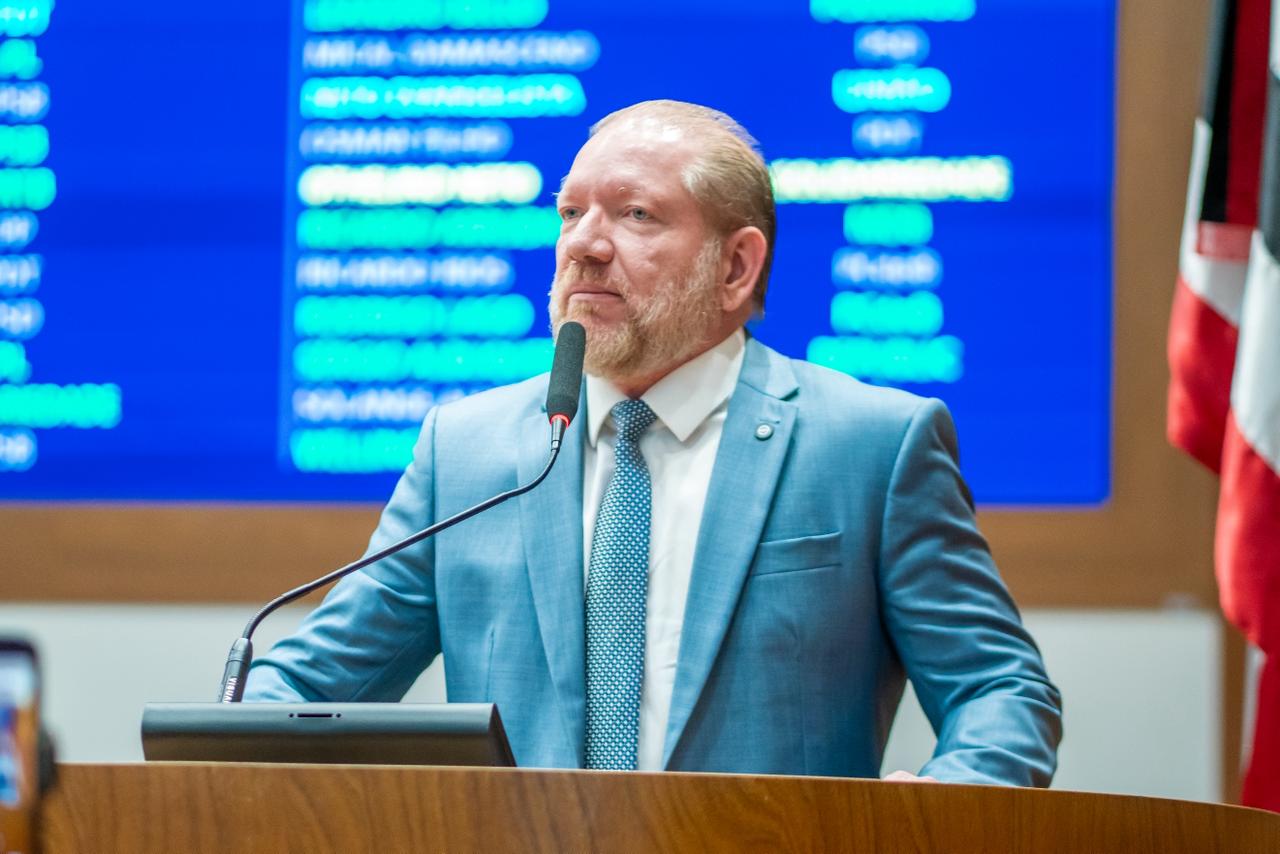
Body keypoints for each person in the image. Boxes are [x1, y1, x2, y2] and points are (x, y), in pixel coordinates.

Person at [247, 100, 1062, 785]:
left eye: (635, 214)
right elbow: (310, 686)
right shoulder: (466, 451)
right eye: (571, 213)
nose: (583, 243)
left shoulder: (871, 446)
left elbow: (999, 690)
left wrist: (941, 812)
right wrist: (223, 739)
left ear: (736, 267)